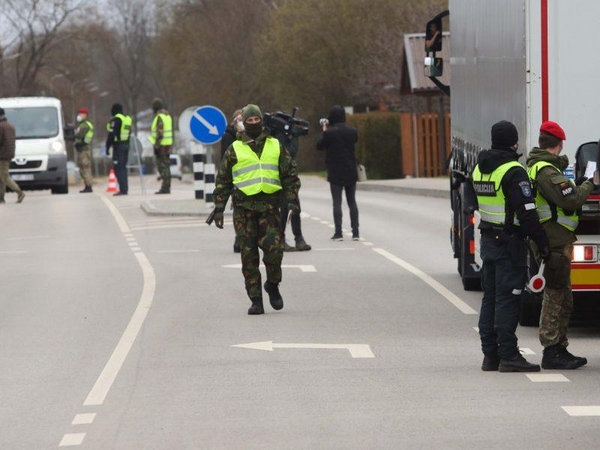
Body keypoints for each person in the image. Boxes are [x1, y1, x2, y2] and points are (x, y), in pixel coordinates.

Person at [472, 120, 550, 373]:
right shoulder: (513, 171)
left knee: (491, 299)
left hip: (488, 241)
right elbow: (527, 213)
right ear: (514, 142)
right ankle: (508, 355)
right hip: (509, 243)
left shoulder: (480, 168)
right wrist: (542, 243)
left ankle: (490, 355)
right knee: (508, 299)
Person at [212, 104, 300, 315]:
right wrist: (218, 208)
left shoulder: (275, 146)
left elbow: (290, 175)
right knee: (248, 256)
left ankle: (272, 284)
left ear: (261, 121)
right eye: (249, 120)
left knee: (274, 251)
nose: (253, 124)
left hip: (270, 207)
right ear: (244, 123)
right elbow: (223, 180)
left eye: (256, 120)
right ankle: (256, 300)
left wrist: (291, 200)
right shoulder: (234, 148)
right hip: (243, 210)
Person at [526, 121, 595, 370]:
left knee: (563, 297)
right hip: (552, 240)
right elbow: (572, 199)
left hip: (553, 238)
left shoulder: (540, 167)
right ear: (560, 143)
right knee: (556, 296)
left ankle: (559, 349)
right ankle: (552, 351)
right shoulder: (546, 171)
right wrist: (591, 182)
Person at [316, 105, 360, 240]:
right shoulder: (352, 131)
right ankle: (356, 232)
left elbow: (319, 146)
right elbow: (354, 140)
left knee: (337, 203)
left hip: (335, 171)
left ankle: (338, 232)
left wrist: (324, 130)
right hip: (350, 170)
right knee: (352, 202)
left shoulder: (330, 133)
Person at [221, 109, 243, 253]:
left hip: (250, 178)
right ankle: (239, 239)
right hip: (236, 179)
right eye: (239, 120)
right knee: (239, 212)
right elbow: (226, 159)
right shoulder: (229, 136)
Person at [106, 103, 132, 196]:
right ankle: (125, 188)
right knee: (123, 168)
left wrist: (107, 147)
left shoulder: (116, 119)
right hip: (126, 145)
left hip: (118, 147)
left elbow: (111, 135)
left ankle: (123, 189)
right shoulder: (127, 119)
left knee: (118, 168)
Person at [0, 107, 25, 204]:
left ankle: (19, 192)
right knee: (1, 176)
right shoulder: (10, 126)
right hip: (9, 153)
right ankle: (1, 198)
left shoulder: (1, 126)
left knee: (4, 177)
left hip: (2, 154)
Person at [149, 98, 173, 194]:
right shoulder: (167, 116)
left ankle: (165, 187)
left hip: (162, 145)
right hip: (168, 144)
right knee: (166, 166)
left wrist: (157, 146)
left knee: (162, 166)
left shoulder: (160, 117)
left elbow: (160, 132)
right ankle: (166, 187)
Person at [74, 108, 94, 193]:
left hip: (84, 149)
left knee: (85, 167)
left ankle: (88, 186)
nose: (79, 116)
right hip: (83, 149)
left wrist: (73, 134)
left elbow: (78, 135)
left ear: (85, 115)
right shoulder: (83, 124)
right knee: (83, 167)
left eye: (81, 114)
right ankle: (87, 185)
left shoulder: (85, 125)